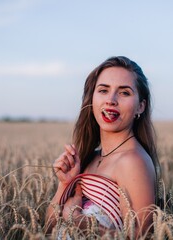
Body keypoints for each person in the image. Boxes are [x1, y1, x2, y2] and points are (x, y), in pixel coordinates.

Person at [45, 56, 160, 238]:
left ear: (140, 106)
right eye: (103, 90)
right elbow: (49, 230)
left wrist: (78, 222)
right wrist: (65, 184)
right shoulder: (91, 157)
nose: (111, 100)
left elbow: (141, 236)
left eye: (124, 93)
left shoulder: (132, 161)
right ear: (92, 99)